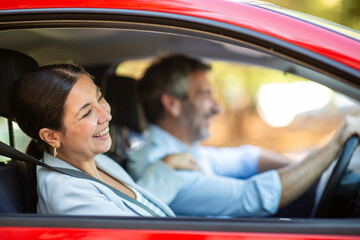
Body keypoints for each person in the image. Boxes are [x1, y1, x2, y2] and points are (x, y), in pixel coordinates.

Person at [128, 53, 360, 217]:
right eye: (206, 94)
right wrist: (333, 147)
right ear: (172, 104)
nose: (217, 108)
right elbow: (251, 198)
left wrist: (311, 170)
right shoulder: (163, 167)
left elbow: (247, 158)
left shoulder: (184, 150)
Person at [10, 63, 176, 217]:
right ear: (51, 136)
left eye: (99, 98)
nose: (107, 115)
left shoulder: (99, 160)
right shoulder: (68, 193)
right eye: (86, 113)